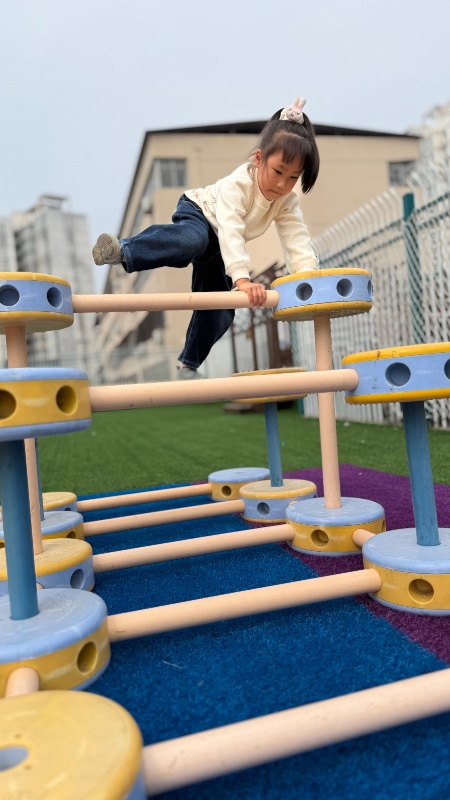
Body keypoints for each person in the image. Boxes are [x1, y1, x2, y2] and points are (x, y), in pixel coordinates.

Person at [92, 96, 320, 379]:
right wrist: (242, 279)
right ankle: (123, 251)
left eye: (293, 177)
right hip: (201, 214)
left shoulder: (286, 201)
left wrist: (308, 278)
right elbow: (230, 228)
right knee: (191, 241)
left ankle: (187, 364)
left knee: (222, 308)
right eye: (278, 172)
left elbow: (296, 238)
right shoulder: (239, 184)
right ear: (259, 159)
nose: (283, 184)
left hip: (219, 248)